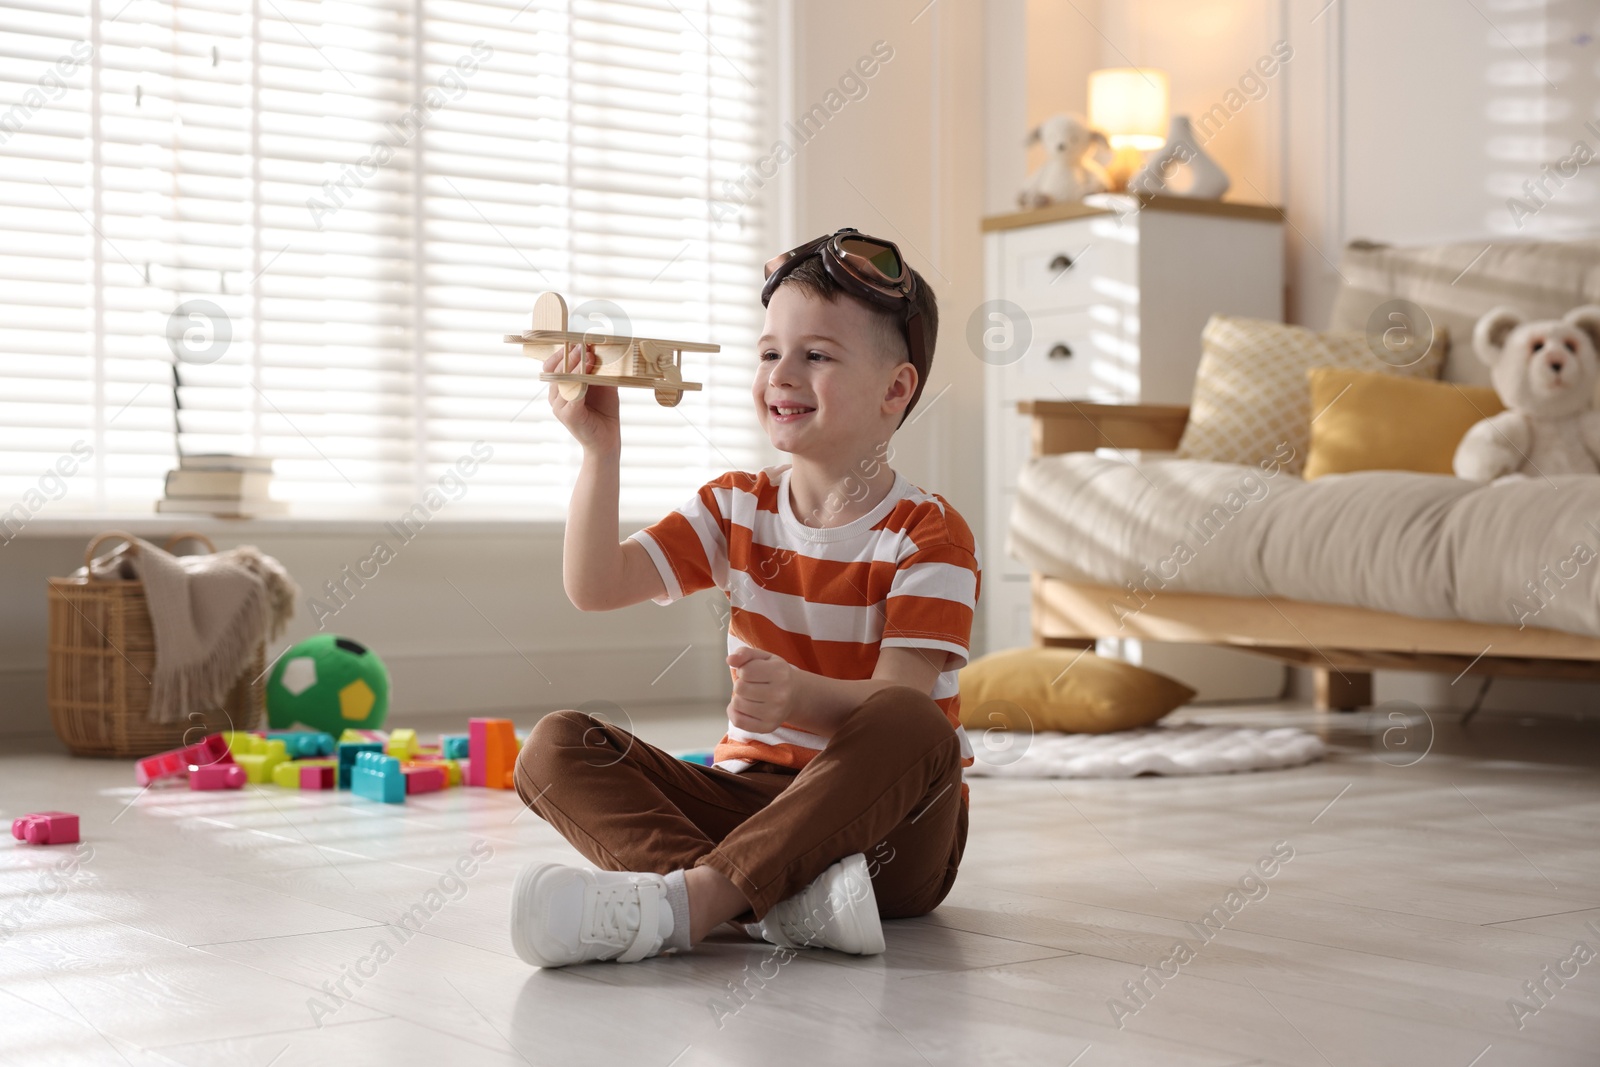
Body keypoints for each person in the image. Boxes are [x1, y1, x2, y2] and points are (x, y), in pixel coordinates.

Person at [510, 228, 979, 968]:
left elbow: (898, 704)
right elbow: (595, 585)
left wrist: (796, 695)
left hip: (887, 835)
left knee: (915, 721)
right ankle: (760, 903)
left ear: (895, 389)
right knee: (554, 747)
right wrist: (602, 452)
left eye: (816, 355)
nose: (780, 375)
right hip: (754, 806)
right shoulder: (735, 506)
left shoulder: (929, 534)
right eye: (769, 353)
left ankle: (694, 901)